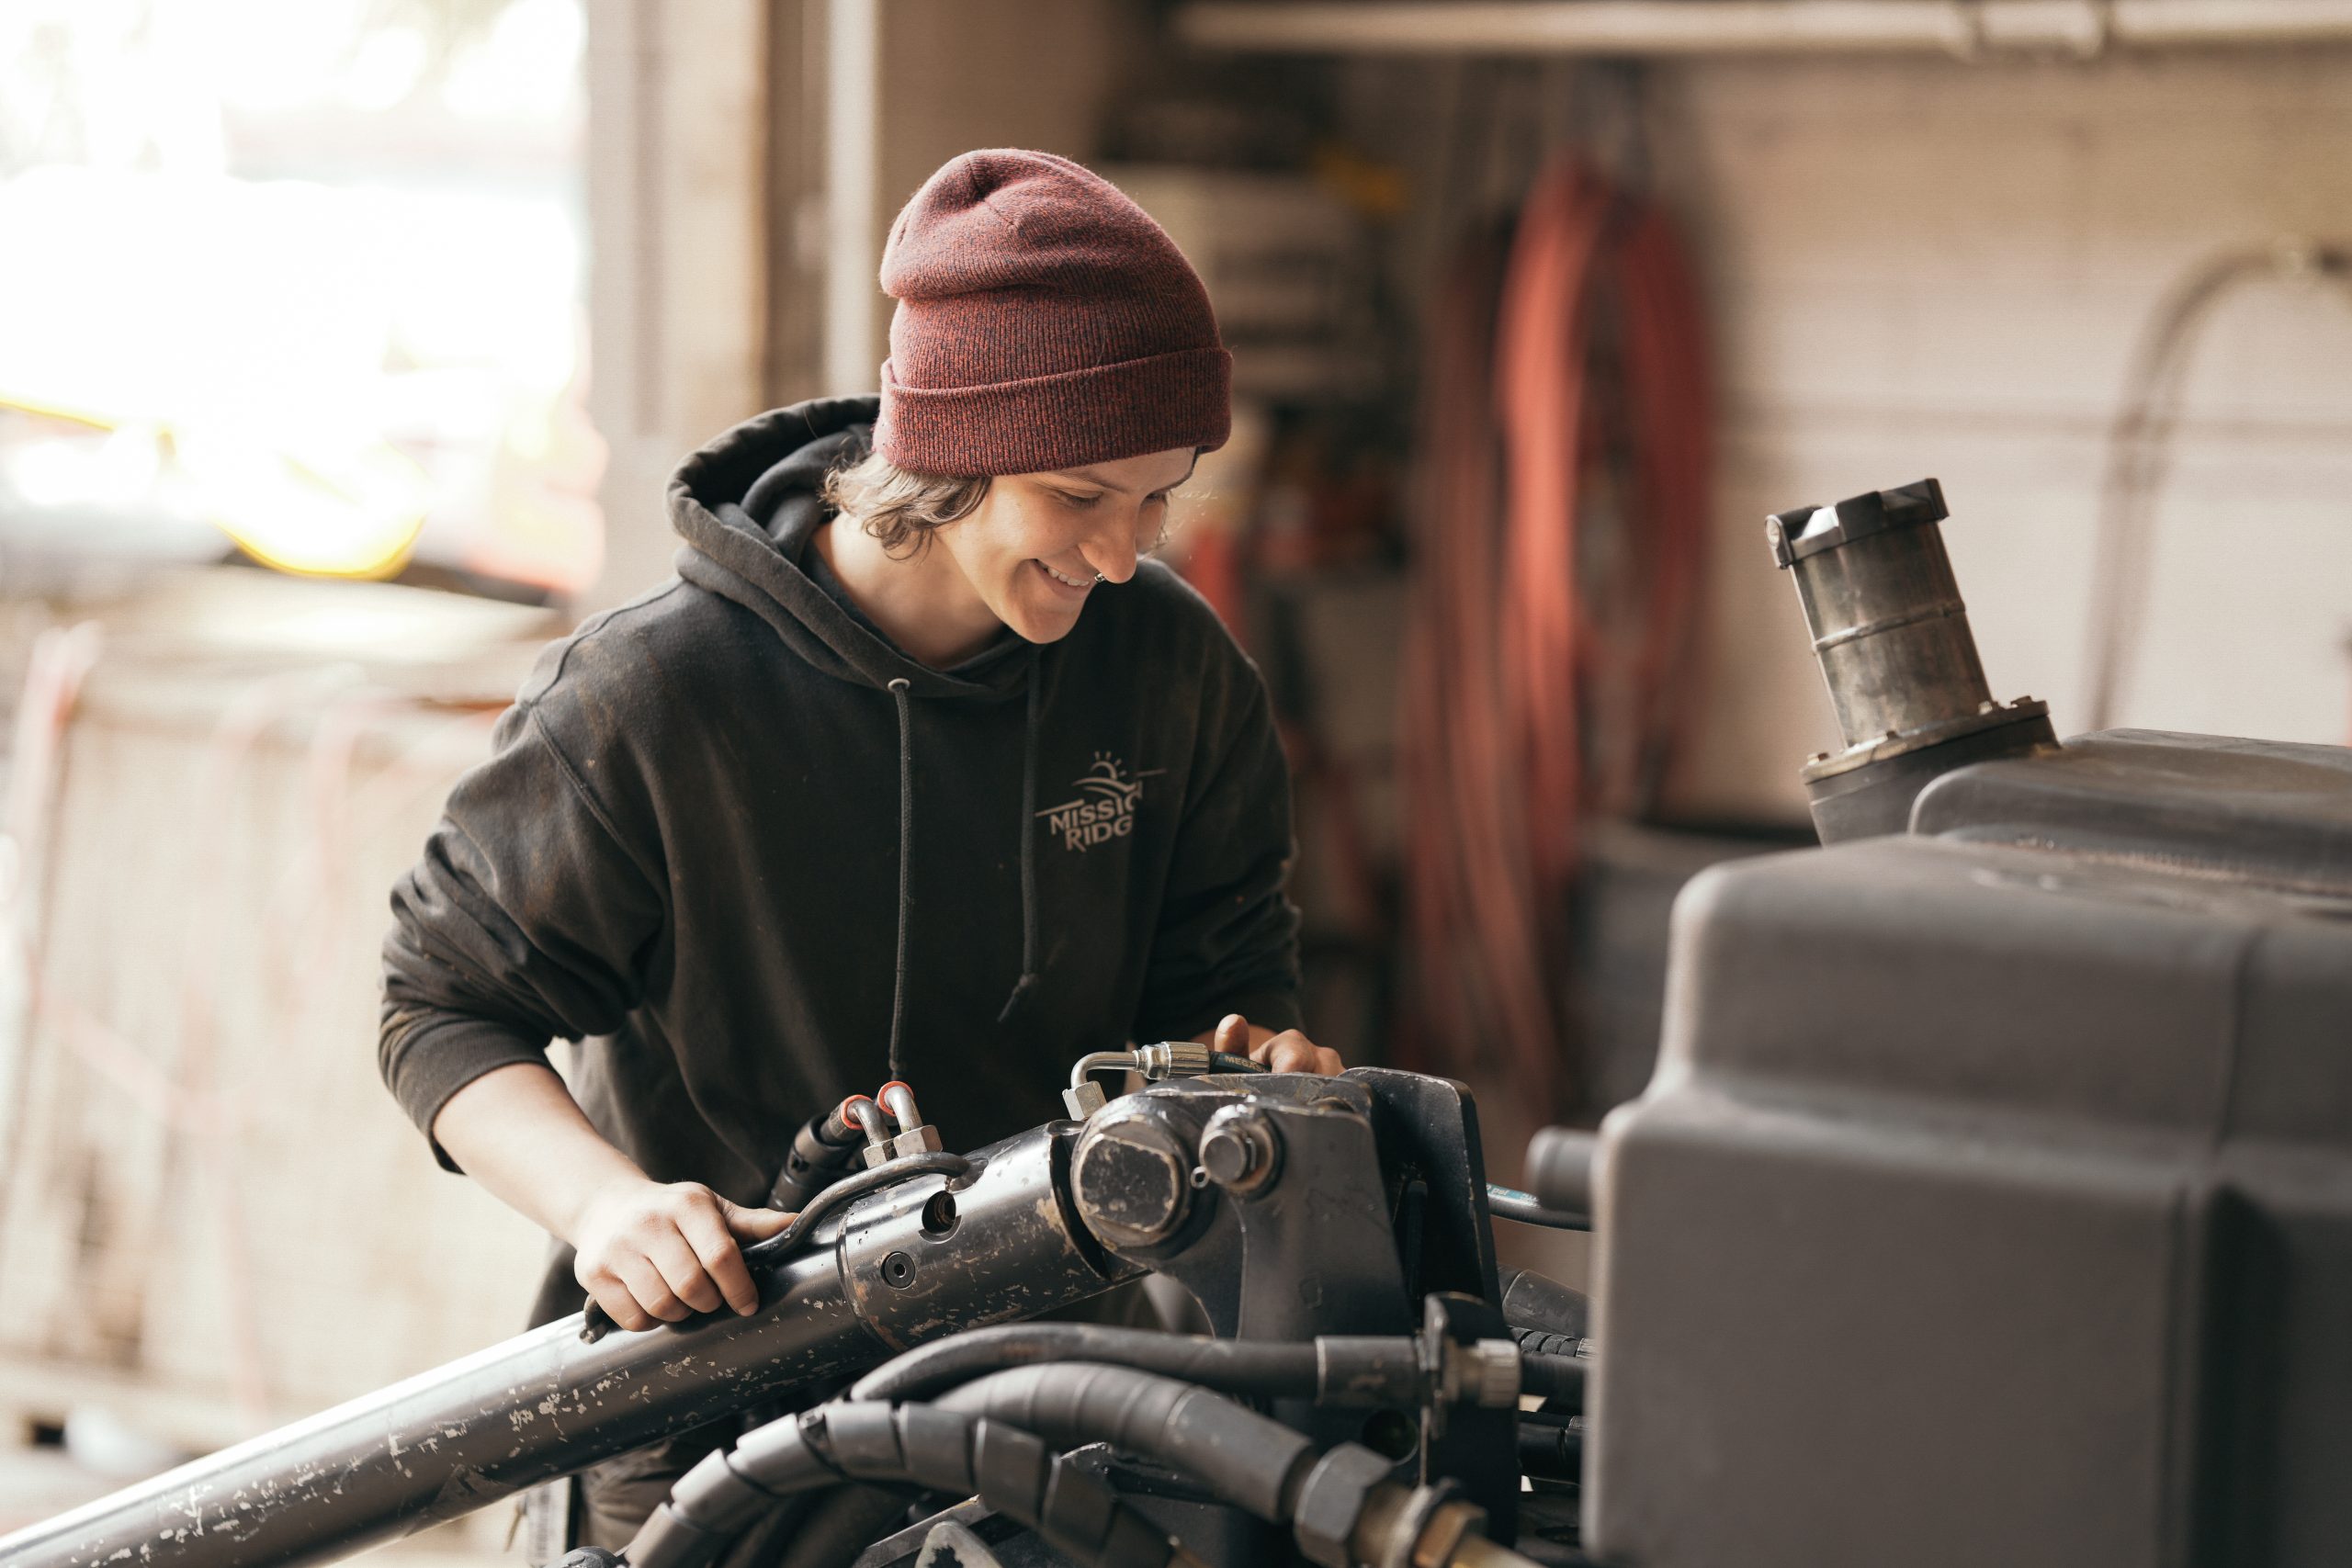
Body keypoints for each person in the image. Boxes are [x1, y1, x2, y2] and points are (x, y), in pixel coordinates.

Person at [376, 148, 1340, 1550]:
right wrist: (610, 1208)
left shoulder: (1172, 676)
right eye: (1080, 496)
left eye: (1161, 496)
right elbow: (439, 1005)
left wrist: (1261, 1069)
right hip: (703, 1422)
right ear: (948, 449)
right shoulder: (658, 699)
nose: (1127, 554)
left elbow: (1225, 983)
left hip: (1051, 1413)